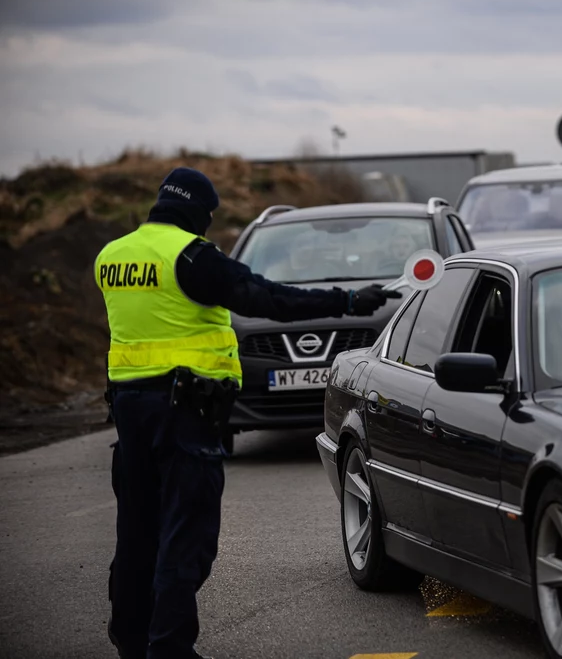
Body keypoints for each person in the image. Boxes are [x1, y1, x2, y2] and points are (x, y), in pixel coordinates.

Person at [96, 167, 400, 659]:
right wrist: (346, 299)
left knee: (137, 530)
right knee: (185, 535)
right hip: (184, 412)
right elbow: (269, 299)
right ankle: (170, 648)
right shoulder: (191, 257)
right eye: (208, 216)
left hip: (130, 412)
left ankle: (132, 638)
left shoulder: (112, 255)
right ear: (197, 210)